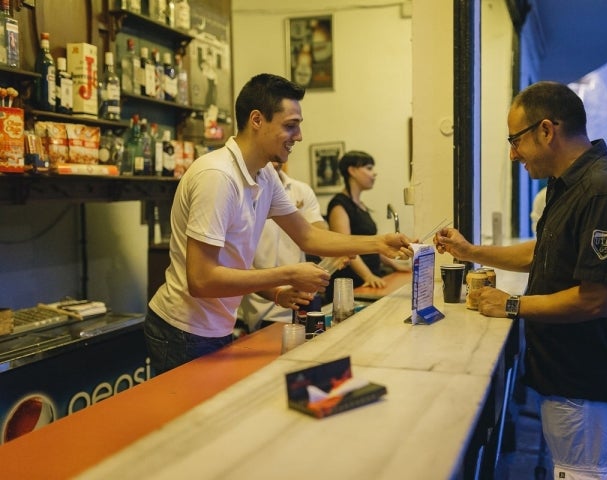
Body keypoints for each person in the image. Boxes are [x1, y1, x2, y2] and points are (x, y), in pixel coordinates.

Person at [434, 81, 607, 479]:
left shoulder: (604, 192)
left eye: (515, 140)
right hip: (568, 376)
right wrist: (471, 252)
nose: (513, 154)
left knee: (586, 473)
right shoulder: (568, 184)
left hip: (590, 381)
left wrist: (511, 304)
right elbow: (543, 250)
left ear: (547, 130)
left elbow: (597, 299)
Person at [146, 73, 412, 374]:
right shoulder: (217, 178)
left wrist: (378, 243)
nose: (298, 136)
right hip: (183, 331)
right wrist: (286, 275)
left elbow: (308, 236)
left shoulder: (264, 175)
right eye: (290, 125)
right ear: (257, 120)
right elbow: (201, 279)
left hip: (215, 327)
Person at [238, 162, 330, 332]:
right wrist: (276, 293)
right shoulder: (241, 191)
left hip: (301, 298)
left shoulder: (300, 189)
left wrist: (339, 250)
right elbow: (237, 262)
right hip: (261, 304)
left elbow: (316, 233)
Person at [325, 150, 410, 302]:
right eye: (369, 168)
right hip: (351, 283)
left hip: (370, 280)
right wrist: (368, 276)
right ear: (352, 171)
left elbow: (373, 246)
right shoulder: (339, 205)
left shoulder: (361, 206)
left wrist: (395, 265)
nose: (374, 173)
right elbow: (345, 247)